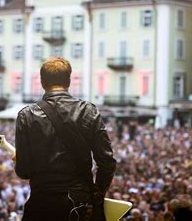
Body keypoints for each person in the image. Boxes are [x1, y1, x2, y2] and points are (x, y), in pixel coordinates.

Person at [15, 57, 117, 221]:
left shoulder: (27, 115)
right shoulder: (88, 111)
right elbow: (107, 162)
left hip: (42, 204)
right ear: (68, 81)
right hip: (79, 203)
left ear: (42, 82)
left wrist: (19, 160)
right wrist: (95, 196)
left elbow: (23, 171)